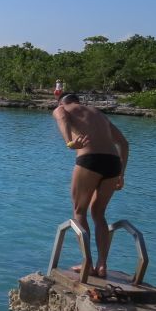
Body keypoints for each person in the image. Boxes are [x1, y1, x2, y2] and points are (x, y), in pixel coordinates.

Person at [53, 93, 129, 278]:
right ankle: (102, 265)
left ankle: (87, 263)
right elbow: (124, 143)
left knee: (79, 211)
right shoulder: (98, 113)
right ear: (79, 101)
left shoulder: (62, 108)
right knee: (98, 213)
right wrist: (121, 174)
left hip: (90, 159)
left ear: (62, 101)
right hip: (113, 163)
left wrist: (69, 142)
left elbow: (62, 119)